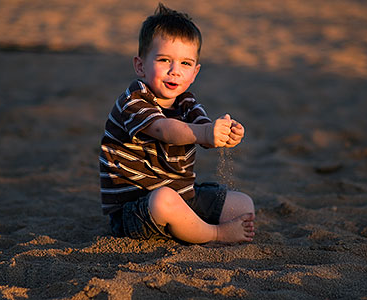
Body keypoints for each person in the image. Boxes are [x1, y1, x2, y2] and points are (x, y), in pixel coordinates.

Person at [99, 3, 255, 244]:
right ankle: (214, 234)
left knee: (244, 206)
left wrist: (224, 134)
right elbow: (166, 130)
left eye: (185, 63)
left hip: (182, 196)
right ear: (140, 65)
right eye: (164, 60)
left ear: (195, 72)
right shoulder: (133, 100)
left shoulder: (187, 103)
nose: (175, 71)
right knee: (164, 200)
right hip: (137, 210)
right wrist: (204, 132)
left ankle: (189, 227)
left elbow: (204, 134)